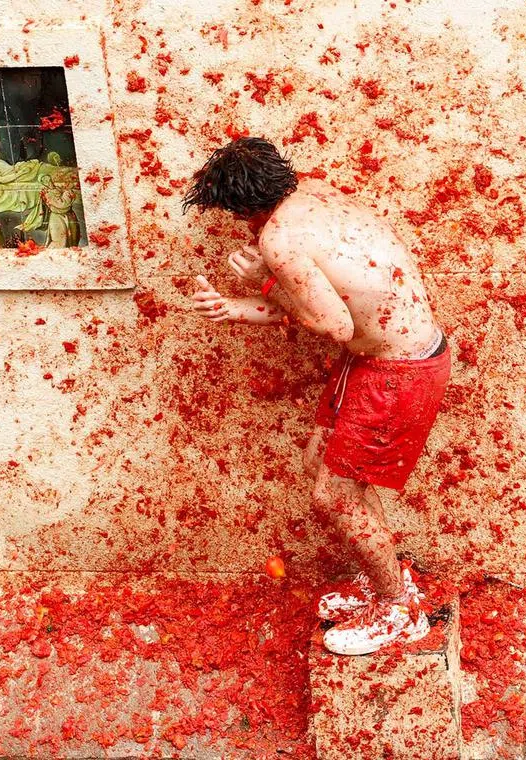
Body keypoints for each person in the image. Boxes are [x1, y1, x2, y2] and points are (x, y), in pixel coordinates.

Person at [184, 137, 451, 655]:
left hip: (399, 371)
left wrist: (264, 281)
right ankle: (389, 585)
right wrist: (232, 307)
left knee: (332, 496)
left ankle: (398, 613)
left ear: (244, 206)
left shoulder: (277, 241)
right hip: (379, 358)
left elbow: (332, 323)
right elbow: (332, 300)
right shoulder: (316, 193)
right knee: (318, 464)